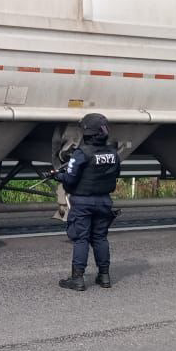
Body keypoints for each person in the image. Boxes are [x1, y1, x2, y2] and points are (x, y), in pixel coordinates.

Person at [53, 113, 121, 291]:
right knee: (100, 237)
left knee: (81, 239)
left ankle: (77, 279)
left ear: (86, 132)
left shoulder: (81, 153)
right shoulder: (113, 153)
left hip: (83, 202)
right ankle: (104, 276)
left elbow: (70, 179)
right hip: (104, 201)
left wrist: (59, 176)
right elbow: (115, 174)